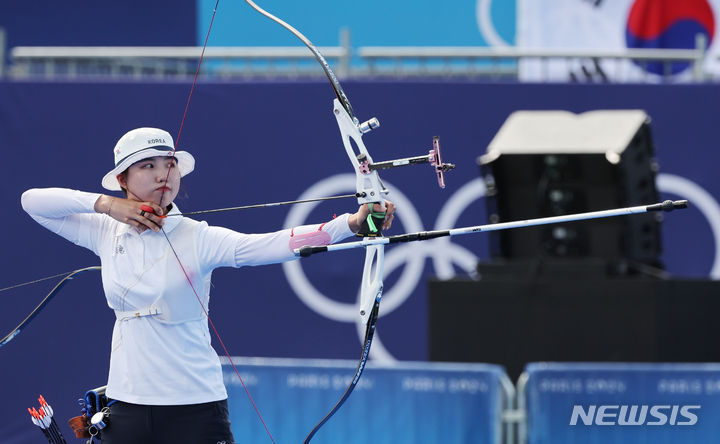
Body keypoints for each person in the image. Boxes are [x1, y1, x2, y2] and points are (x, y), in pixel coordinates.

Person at [21, 127, 395, 444]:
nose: (162, 174)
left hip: (195, 408)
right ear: (123, 180)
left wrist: (350, 224)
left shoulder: (199, 237)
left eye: (169, 164)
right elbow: (32, 202)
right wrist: (106, 205)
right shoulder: (104, 229)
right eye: (147, 166)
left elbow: (273, 244)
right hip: (126, 406)